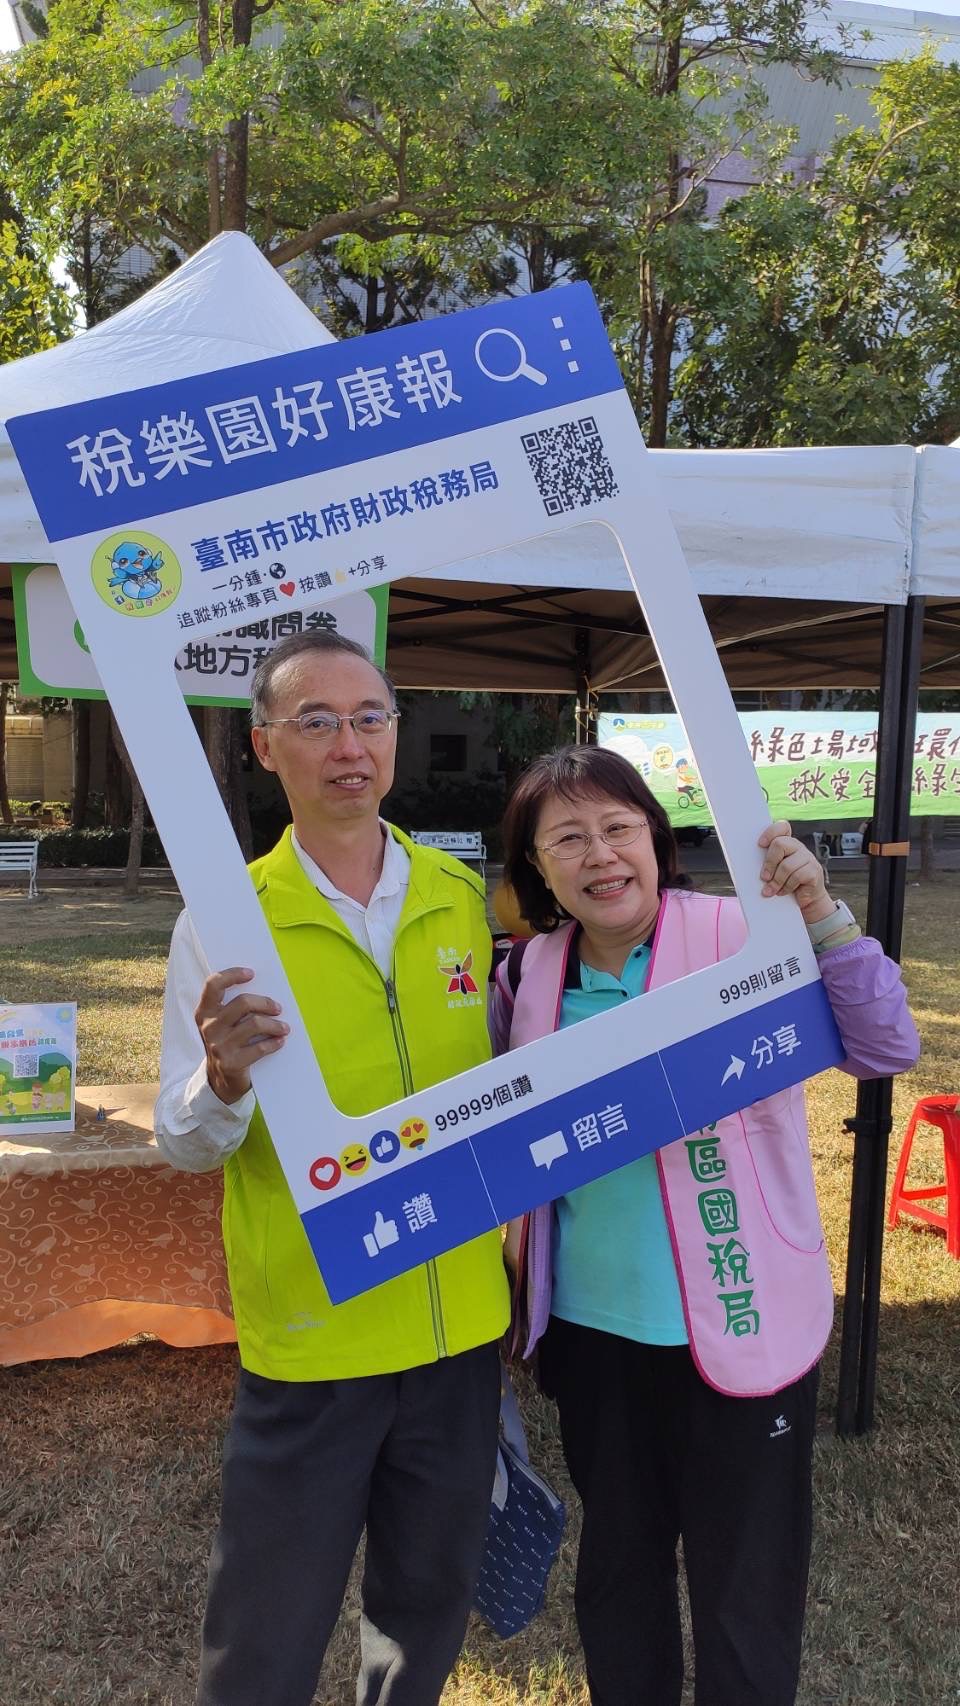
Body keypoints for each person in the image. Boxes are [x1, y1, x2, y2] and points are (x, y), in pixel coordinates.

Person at [490, 745, 919, 1706]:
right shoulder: (526, 977)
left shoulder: (742, 934)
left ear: (656, 839)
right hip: (596, 1335)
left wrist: (819, 913)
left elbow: (887, 1042)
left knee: (745, 1588)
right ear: (537, 870)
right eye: (567, 838)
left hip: (744, 1317)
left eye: (618, 827)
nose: (599, 855)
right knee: (620, 1571)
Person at [155, 631, 510, 1706]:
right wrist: (220, 1077)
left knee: (423, 1612)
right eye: (315, 721)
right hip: (316, 1333)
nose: (348, 744)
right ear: (266, 746)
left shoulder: (462, 895)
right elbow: (183, 1139)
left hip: (457, 1327)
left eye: (370, 717)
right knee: (267, 1626)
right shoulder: (226, 924)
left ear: (397, 733)